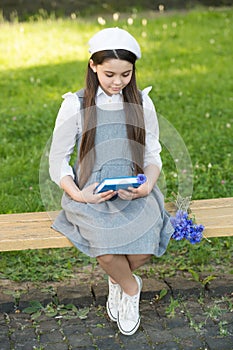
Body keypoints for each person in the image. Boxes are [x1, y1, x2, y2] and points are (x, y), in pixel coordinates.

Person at [49, 27, 174, 336]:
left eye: (126, 74)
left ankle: (116, 277)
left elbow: (153, 154)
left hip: (134, 191)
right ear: (93, 66)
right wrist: (79, 195)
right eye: (109, 74)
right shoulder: (75, 105)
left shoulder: (142, 104)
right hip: (92, 195)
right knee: (106, 250)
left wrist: (147, 185)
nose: (118, 82)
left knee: (144, 248)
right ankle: (130, 288)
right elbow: (57, 160)